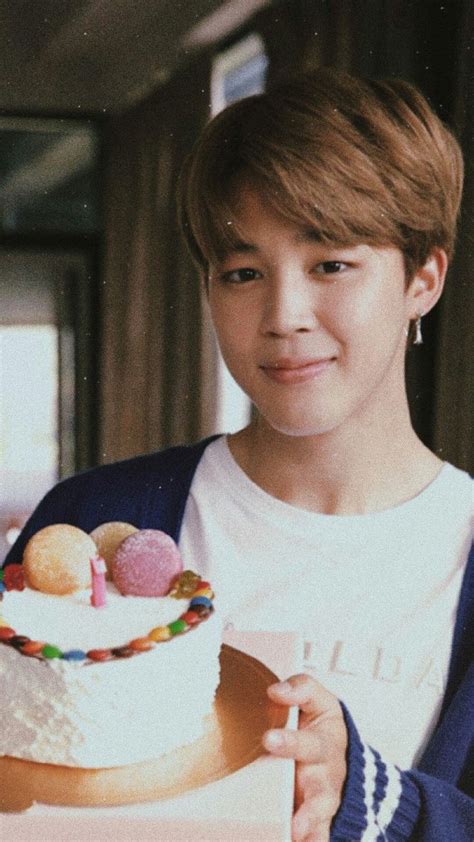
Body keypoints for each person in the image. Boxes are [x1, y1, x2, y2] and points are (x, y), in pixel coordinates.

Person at [3, 68, 473, 841]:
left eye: (331, 265)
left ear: (424, 276)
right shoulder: (93, 520)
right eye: (244, 272)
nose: (284, 315)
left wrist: (370, 795)